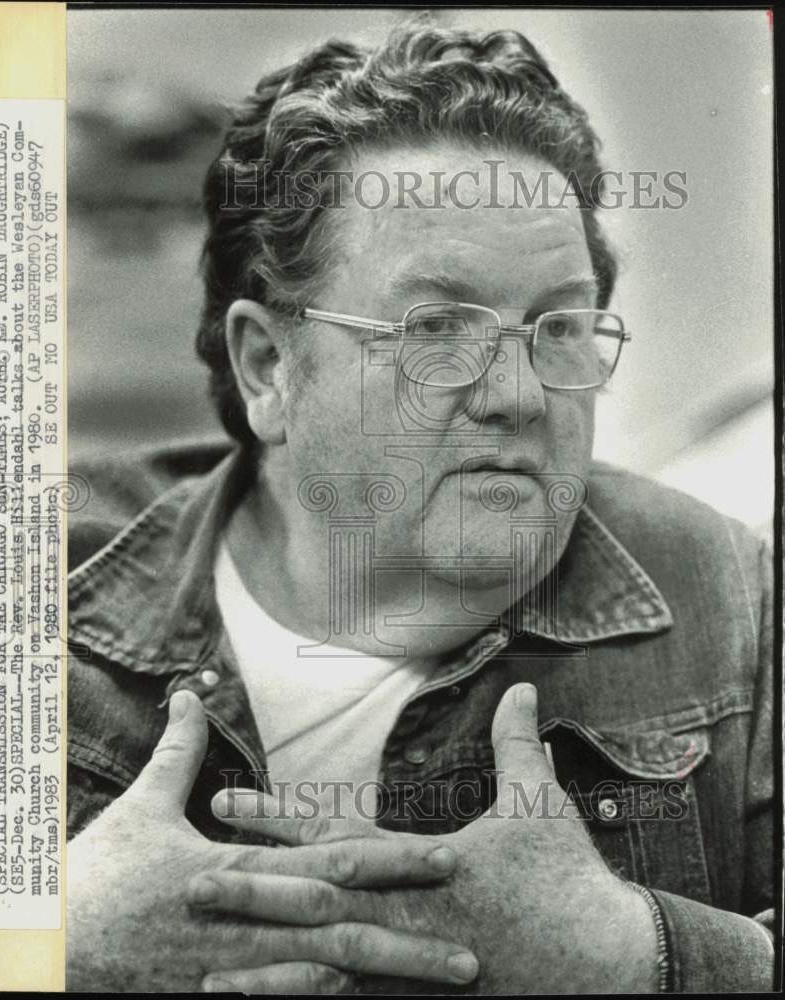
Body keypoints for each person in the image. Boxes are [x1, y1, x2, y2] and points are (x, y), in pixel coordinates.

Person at [66, 24, 774, 993]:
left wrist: (638, 955)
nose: (519, 395)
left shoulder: (736, 602)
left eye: (559, 326)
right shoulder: (23, 587)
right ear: (269, 367)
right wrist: (39, 940)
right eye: (439, 327)